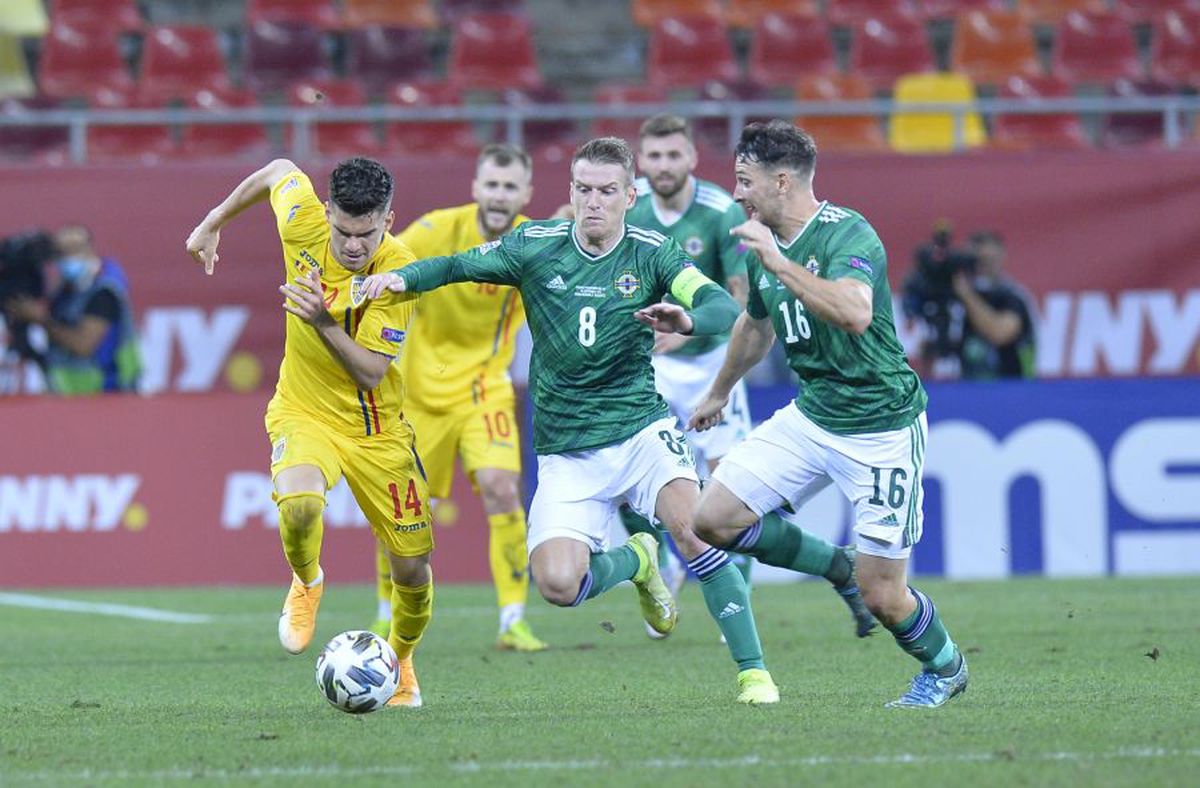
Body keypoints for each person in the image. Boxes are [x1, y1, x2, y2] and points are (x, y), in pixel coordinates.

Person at [362, 137, 781, 705]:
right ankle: (636, 560)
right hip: (566, 450)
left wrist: (684, 318)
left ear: (629, 196)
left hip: (640, 432)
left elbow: (719, 306)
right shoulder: (536, 246)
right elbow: (457, 265)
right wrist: (401, 280)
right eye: (583, 189)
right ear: (570, 192)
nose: (593, 202)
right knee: (558, 585)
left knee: (697, 528)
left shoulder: (653, 253)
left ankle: (753, 673)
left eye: (607, 191)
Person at [689, 121, 968, 708]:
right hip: (813, 416)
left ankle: (945, 667)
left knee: (885, 597)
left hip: (881, 427)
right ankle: (833, 564)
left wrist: (780, 262)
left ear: (782, 181)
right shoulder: (763, 241)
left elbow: (855, 313)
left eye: (745, 180)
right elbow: (756, 325)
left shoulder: (848, 234)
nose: (737, 193)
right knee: (710, 518)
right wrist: (718, 392)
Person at [185, 157, 432, 709]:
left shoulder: (399, 273)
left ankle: (402, 661)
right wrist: (214, 219)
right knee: (298, 506)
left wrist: (321, 319)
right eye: (343, 231)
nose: (351, 246)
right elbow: (277, 170)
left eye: (365, 234)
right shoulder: (302, 223)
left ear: (388, 222)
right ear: (327, 214)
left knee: (412, 570)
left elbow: (370, 371)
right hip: (303, 410)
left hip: (377, 431)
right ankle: (308, 581)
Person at [624, 114, 876, 641]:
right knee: (629, 484)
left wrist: (703, 355)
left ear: (692, 157)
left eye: (675, 154)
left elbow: (743, 303)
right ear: (641, 162)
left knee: (722, 491)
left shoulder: (722, 213)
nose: (664, 165)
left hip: (706, 360)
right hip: (646, 368)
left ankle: (733, 609)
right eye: (655, 156)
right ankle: (661, 574)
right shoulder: (629, 205)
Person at [367, 143, 547, 653]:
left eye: (510, 187)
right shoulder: (434, 230)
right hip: (420, 395)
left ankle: (513, 619)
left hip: (484, 390)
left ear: (525, 194)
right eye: (491, 184)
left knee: (501, 488)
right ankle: (386, 613)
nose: (499, 195)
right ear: (475, 188)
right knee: (404, 510)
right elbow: (380, 261)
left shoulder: (533, 240)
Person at [3, 225, 140, 394]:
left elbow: (83, 345)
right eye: (61, 252)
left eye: (74, 249)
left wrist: (41, 319)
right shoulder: (64, 292)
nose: (68, 257)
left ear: (90, 249)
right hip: (72, 395)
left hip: (108, 391)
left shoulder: (103, 293)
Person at [953, 230, 1036, 380]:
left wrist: (966, 294)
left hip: (1011, 388)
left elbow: (999, 333)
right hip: (968, 388)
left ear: (1002, 258)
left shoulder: (1013, 297)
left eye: (989, 260)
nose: (983, 266)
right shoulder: (959, 299)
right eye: (978, 261)